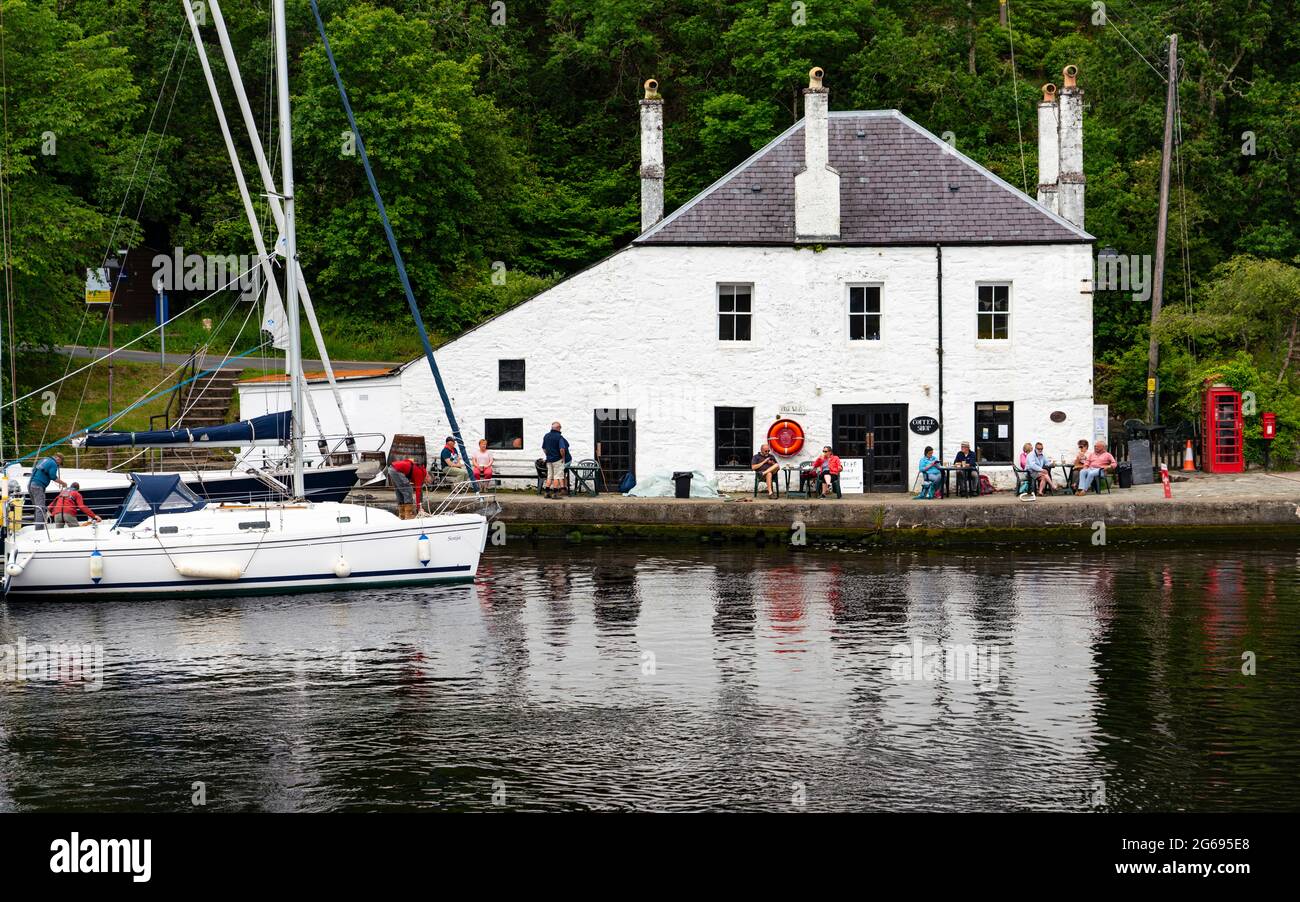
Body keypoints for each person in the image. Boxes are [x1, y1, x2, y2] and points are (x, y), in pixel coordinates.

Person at [28, 452, 66, 529]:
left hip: (30, 484)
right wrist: (63, 483)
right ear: (59, 459)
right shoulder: (53, 464)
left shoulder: (44, 459)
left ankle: (37, 526)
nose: (58, 465)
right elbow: (53, 476)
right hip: (38, 486)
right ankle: (39, 530)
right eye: (59, 464)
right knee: (40, 508)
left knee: (37, 508)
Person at [541, 422, 570, 499]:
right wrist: (563, 457)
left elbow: (544, 448)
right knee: (557, 477)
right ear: (558, 428)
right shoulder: (559, 437)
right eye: (560, 428)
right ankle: (555, 494)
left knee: (549, 476)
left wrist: (548, 455)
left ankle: (546, 493)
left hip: (549, 460)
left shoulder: (546, 436)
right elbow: (562, 449)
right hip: (557, 459)